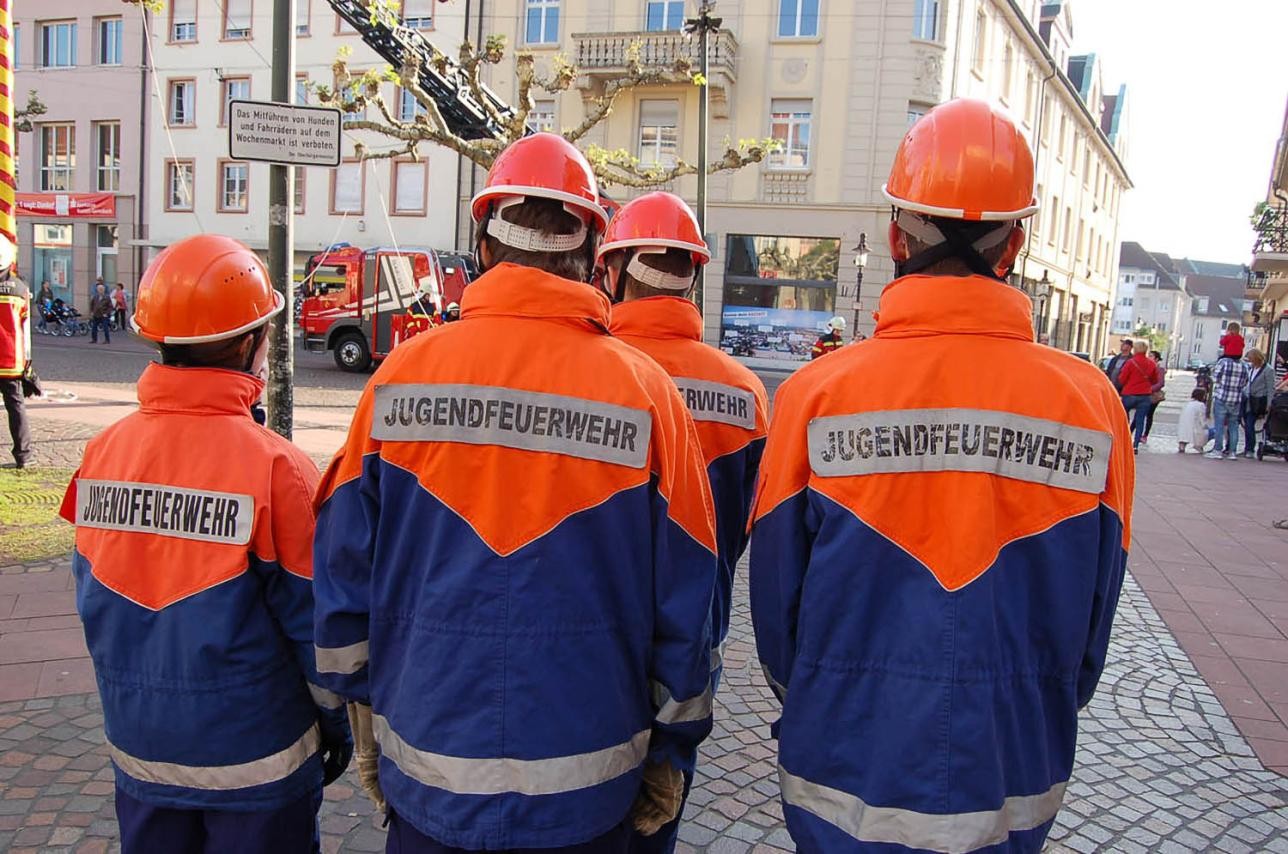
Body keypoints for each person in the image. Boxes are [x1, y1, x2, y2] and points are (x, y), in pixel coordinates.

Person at [312, 133, 718, 853]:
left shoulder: (400, 378)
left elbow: (342, 587)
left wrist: (366, 720)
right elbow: (689, 608)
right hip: (589, 793)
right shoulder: (648, 396)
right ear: (593, 251)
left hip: (428, 777)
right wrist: (671, 751)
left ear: (483, 241)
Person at [749, 99, 1133, 854]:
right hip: (1013, 768)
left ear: (896, 234)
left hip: (844, 770)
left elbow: (776, 612)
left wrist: (823, 695)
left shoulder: (814, 395)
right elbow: (1093, 618)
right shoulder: (1094, 406)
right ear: (1015, 243)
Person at [58, 235, 352, 853]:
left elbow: (92, 596)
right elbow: (316, 636)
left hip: (141, 753)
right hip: (258, 765)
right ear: (250, 344)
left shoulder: (101, 453)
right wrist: (336, 726)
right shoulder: (280, 470)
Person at [599, 192, 769, 854]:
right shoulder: (746, 394)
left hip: (594, 642)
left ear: (613, 270)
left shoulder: (591, 375)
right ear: (693, 275)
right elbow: (742, 531)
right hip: (693, 647)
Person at [0, 238, 32, 469]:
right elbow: (25, 329)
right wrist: (28, 363)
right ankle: (23, 455)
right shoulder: (21, 289)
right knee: (16, 408)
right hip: (12, 362)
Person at [1117, 341, 1163, 452]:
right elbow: (1155, 380)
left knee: (1123, 417)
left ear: (1135, 349)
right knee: (1140, 420)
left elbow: (1122, 379)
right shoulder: (1151, 364)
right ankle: (1135, 444)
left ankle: (1123, 439)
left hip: (1129, 394)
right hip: (1145, 395)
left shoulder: (1130, 362)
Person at [1206, 351, 1250, 459]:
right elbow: (1245, 382)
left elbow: (1215, 378)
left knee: (1219, 425)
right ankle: (1232, 452)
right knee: (1233, 426)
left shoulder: (1223, 362)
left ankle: (1217, 450)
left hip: (1222, 397)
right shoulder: (1244, 365)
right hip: (1236, 399)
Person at [1243, 348, 1275, 459]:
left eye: (1251, 359)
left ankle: (1250, 449)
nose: (1250, 361)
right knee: (1247, 424)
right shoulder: (1252, 368)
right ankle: (1248, 448)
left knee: (1249, 423)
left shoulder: (1268, 370)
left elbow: (1271, 388)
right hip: (1249, 399)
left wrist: (1269, 403)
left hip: (1259, 400)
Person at [1178, 387, 1213, 454]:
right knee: (1213, 432)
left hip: (1183, 430)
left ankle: (1182, 446)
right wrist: (1206, 426)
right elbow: (1202, 420)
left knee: (1185, 435)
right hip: (1195, 431)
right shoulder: (1201, 405)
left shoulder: (1187, 404)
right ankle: (1199, 445)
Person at [1140, 350, 1165, 442]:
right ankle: (1131, 432)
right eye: (1148, 355)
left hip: (1153, 396)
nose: (1148, 357)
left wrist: (1150, 389)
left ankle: (1145, 435)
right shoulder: (1146, 367)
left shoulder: (1160, 370)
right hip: (1143, 394)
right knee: (1139, 414)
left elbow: (1161, 383)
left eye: (1151, 356)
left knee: (1149, 415)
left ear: (1156, 359)